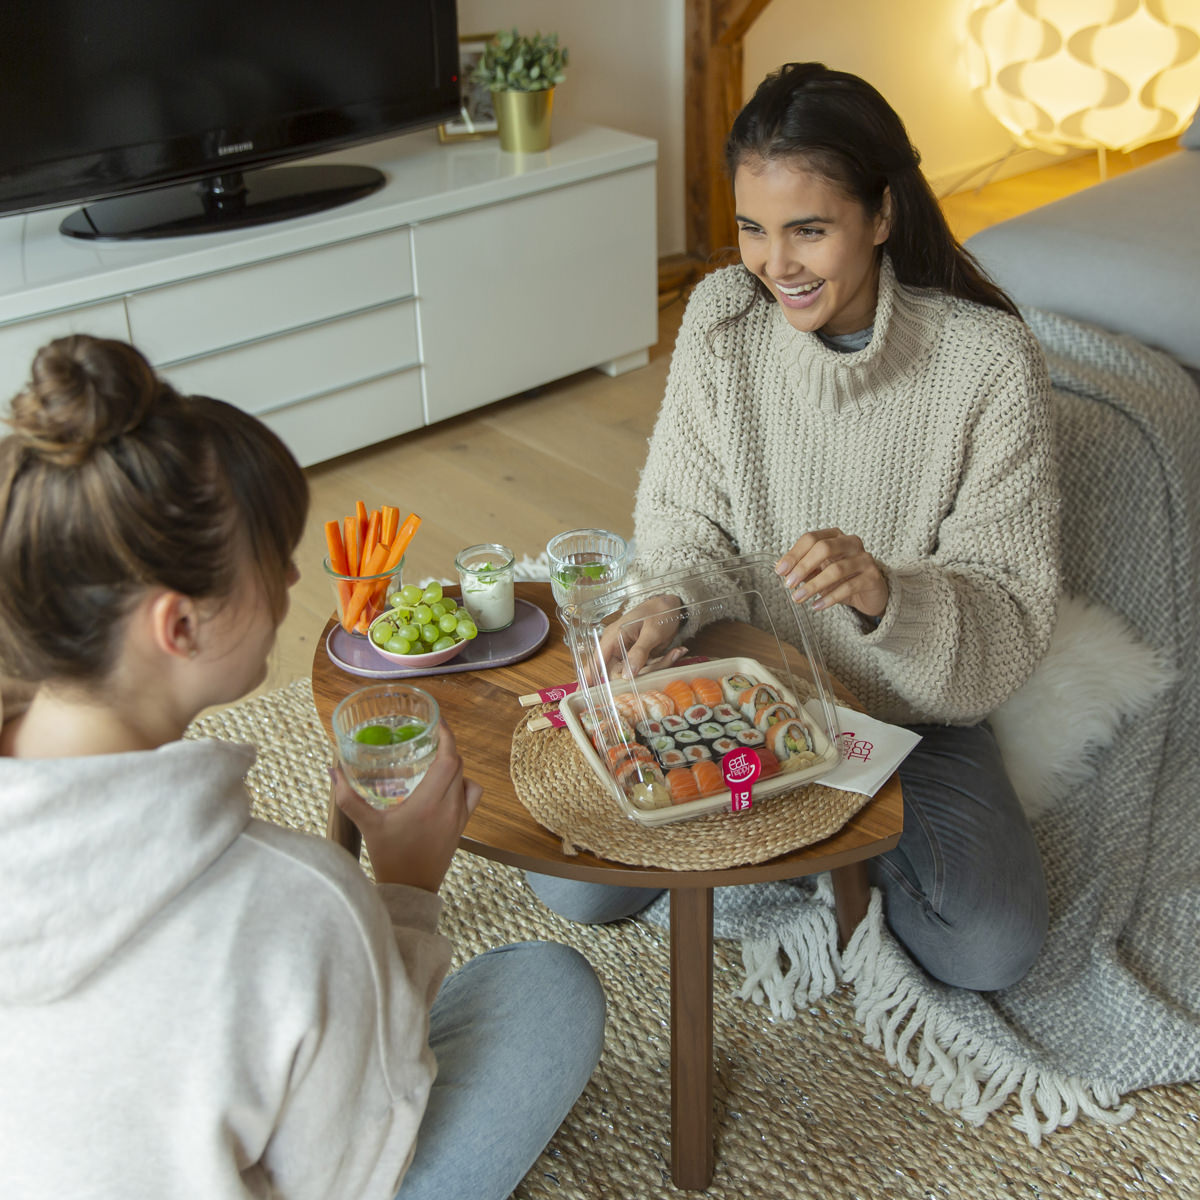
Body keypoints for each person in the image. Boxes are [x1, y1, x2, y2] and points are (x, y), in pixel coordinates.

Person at [0, 335, 605, 1198]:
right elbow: (349, 1171)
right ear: (180, 626)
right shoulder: (296, 905)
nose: (293, 577)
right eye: (272, 557)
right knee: (550, 988)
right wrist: (401, 887)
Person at [529, 62, 1059, 992]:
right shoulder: (722, 321)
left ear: (882, 214)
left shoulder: (988, 363)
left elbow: (1010, 616)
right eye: (753, 229)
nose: (776, 265)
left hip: (904, 715)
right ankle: (809, 833)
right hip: (740, 679)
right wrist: (672, 601)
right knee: (577, 889)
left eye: (809, 230)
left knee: (992, 948)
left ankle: (825, 836)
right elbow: (687, 523)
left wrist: (887, 594)